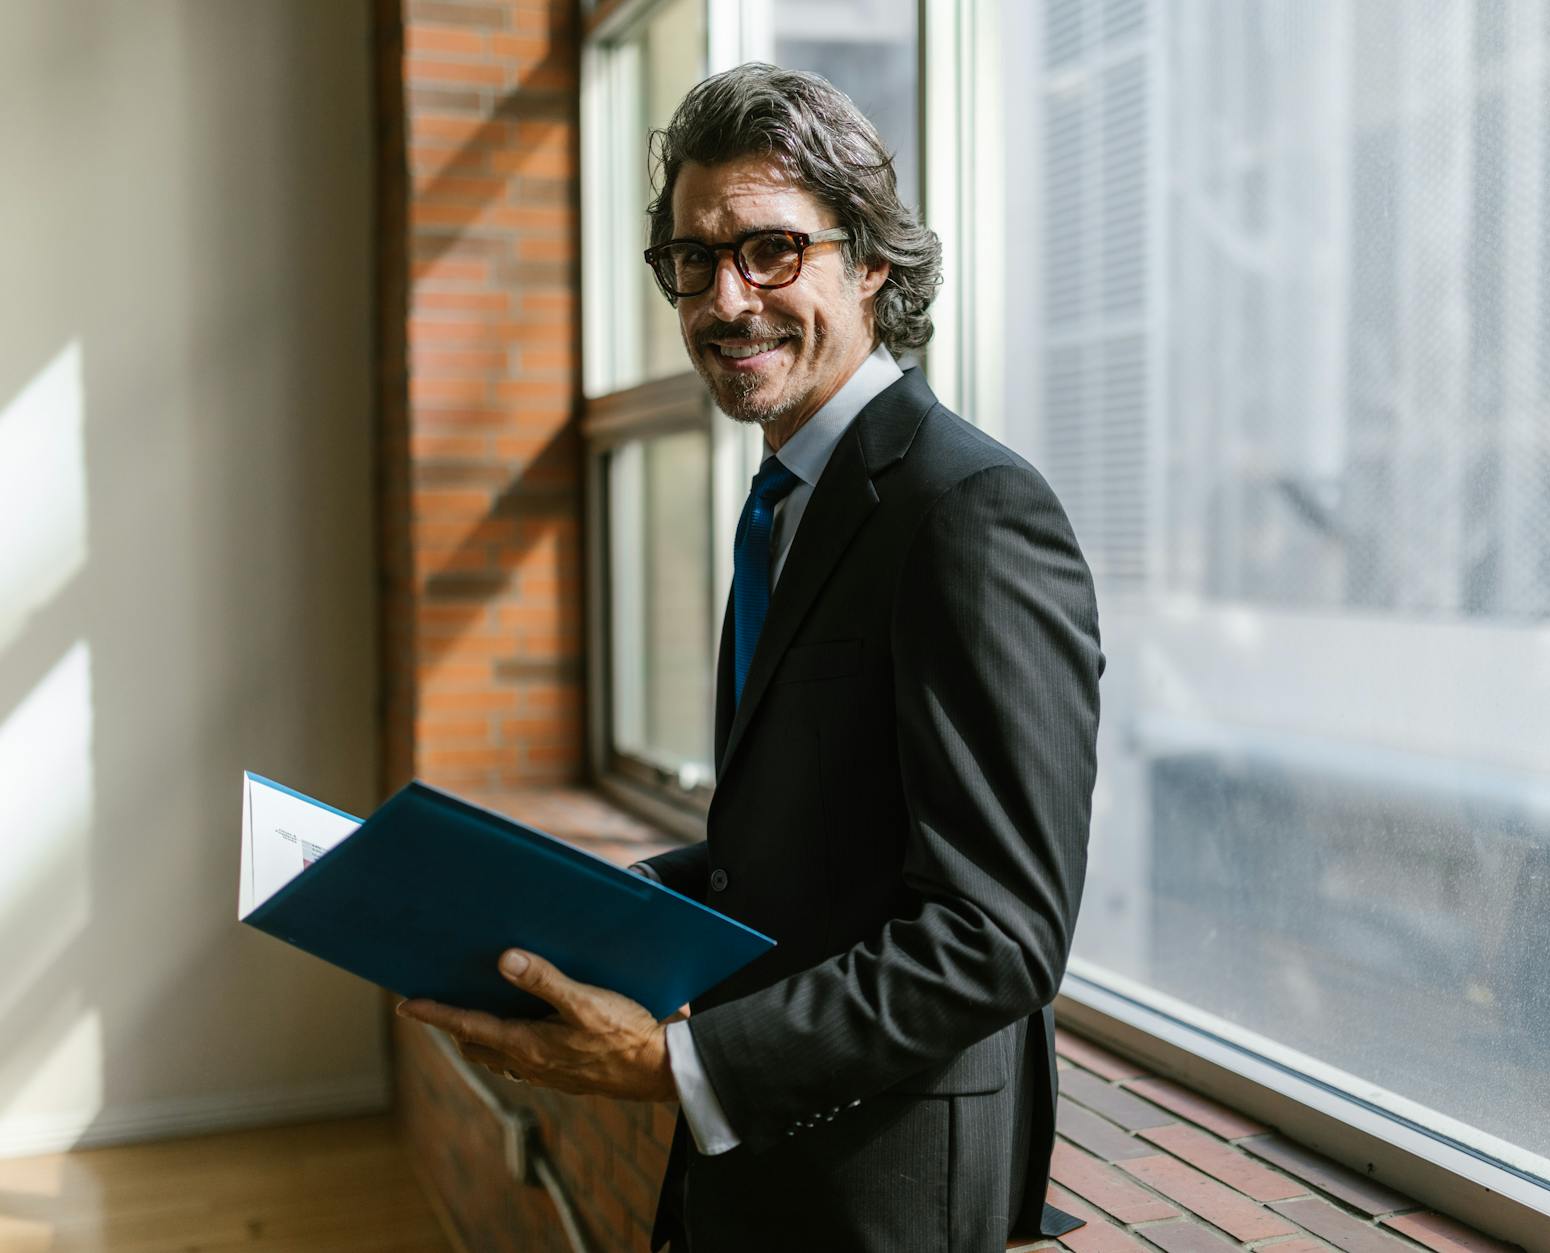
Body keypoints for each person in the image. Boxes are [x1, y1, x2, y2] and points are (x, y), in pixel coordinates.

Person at [398, 62, 1102, 1252]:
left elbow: (997, 932)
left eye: (770, 251)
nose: (726, 299)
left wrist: (677, 1060)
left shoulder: (969, 511)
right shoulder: (789, 497)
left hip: (883, 1184)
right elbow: (820, 842)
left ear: (869, 261)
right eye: (693, 260)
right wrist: (603, 907)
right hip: (766, 1161)